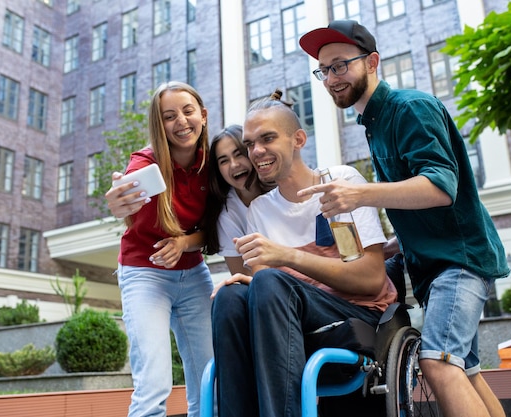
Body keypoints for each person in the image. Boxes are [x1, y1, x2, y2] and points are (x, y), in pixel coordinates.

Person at [298, 20, 509, 417]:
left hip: (458, 262)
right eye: (323, 70)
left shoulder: (411, 107)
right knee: (467, 372)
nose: (331, 78)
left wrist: (359, 194)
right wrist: (392, 243)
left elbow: (440, 187)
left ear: (372, 61)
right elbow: (419, 203)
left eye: (340, 65)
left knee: (438, 364)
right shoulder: (374, 123)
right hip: (433, 264)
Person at [210, 90, 397, 417]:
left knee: (269, 280)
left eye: (267, 138)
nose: (256, 152)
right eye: (250, 143)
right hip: (290, 321)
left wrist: (286, 258)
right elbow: (271, 295)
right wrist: (249, 284)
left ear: (298, 139)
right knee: (230, 297)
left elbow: (370, 279)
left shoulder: (339, 183)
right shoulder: (259, 211)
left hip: (357, 313)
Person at [105, 81, 214, 417]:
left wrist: (183, 243)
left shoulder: (213, 164)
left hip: (193, 273)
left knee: (209, 377)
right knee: (154, 382)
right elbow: (124, 192)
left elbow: (212, 232)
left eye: (187, 111)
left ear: (203, 116)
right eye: (169, 116)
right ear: (159, 124)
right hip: (144, 274)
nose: (181, 121)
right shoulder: (143, 163)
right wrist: (118, 200)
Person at [203, 124, 274, 275]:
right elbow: (241, 275)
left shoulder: (281, 189)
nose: (234, 165)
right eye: (224, 161)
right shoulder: (227, 213)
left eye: (239, 154)